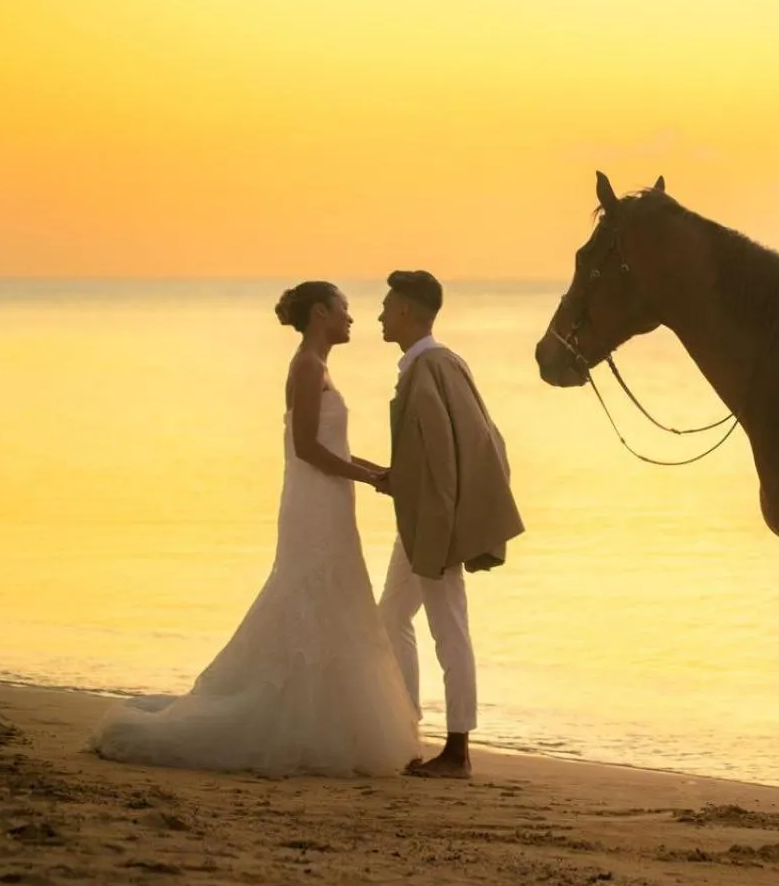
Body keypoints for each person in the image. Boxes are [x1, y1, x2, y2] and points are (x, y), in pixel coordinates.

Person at [86, 282, 420, 776]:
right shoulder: (306, 365)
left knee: (335, 600)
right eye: (344, 309)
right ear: (321, 312)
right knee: (308, 593)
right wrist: (370, 477)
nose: (352, 318)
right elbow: (306, 447)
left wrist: (379, 473)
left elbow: (331, 448)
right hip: (313, 503)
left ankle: (327, 718)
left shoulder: (320, 367)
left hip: (328, 497)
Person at [375, 269, 524, 778]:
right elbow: (482, 441)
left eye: (387, 307)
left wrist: (440, 532)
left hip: (432, 524)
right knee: (390, 618)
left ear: (408, 314)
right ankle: (406, 726)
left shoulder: (430, 368)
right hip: (419, 518)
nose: (379, 315)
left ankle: (457, 748)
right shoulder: (440, 363)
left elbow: (450, 455)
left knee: (448, 628)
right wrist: (397, 478)